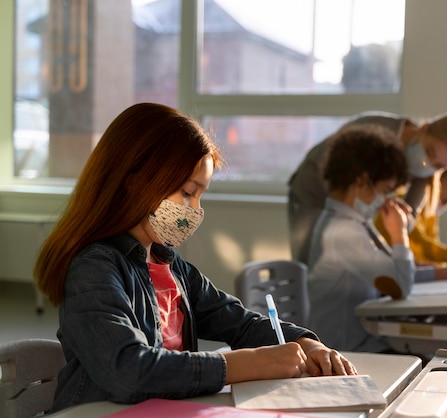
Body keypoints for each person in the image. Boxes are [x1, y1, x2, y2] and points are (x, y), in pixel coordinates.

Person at [33, 103, 356, 413]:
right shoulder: (95, 268)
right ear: (135, 180)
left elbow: (239, 322)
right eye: (187, 192)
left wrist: (305, 343)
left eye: (200, 195)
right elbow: (127, 371)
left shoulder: (173, 267)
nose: (195, 209)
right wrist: (241, 364)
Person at [306, 124, 447, 353]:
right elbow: (400, 285)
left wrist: (441, 272)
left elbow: (392, 271)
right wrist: (399, 234)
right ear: (362, 182)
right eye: (385, 189)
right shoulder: (343, 232)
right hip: (346, 350)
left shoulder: (356, 223)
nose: (385, 199)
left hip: (364, 342)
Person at [287, 111, 447, 266]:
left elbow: (407, 219)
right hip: (313, 193)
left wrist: (399, 228)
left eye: (439, 167)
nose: (429, 164)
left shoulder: (425, 173)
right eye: (430, 152)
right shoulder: (375, 131)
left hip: (349, 212)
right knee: (309, 265)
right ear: (424, 128)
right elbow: (332, 168)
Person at [375, 168, 447, 266]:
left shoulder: (431, 214)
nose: (442, 205)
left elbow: (431, 252)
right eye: (442, 199)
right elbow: (427, 247)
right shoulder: (401, 206)